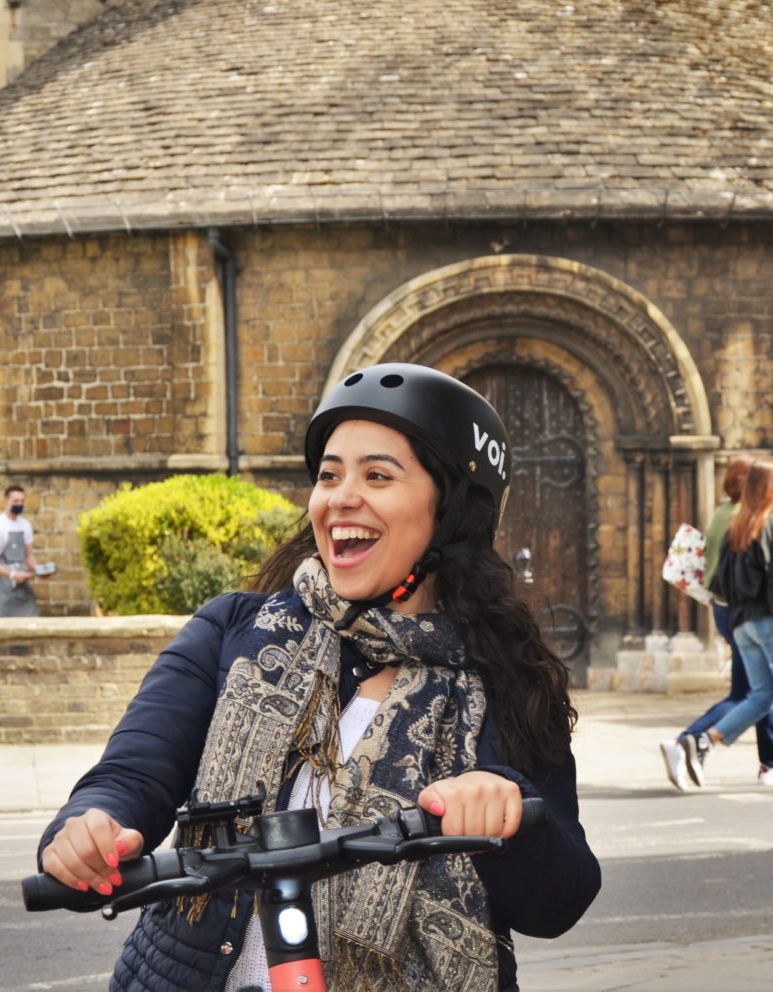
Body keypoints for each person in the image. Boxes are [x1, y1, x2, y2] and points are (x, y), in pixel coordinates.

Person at [39, 363, 601, 991]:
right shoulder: (234, 630)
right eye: (330, 475)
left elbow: (562, 898)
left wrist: (509, 811)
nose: (340, 497)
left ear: (452, 512)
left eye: (378, 475)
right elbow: (133, 775)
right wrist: (89, 825)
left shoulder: (504, 678)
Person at [682, 456, 773, 790]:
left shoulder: (737, 526)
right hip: (771, 622)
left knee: (762, 695)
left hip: (742, 623)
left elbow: (720, 582)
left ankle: (704, 740)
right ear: (768, 487)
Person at [659, 453, 773, 791]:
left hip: (725, 610)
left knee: (755, 689)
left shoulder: (722, 513)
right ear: (747, 482)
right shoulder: (741, 517)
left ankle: (768, 763)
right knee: (756, 691)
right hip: (741, 612)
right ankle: (688, 740)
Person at [0, 485, 38, 617]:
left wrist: (39, 570)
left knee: (31, 621)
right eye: (15, 501)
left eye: (22, 501)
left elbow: (29, 556)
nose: (19, 504)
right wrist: (12, 574)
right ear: (6, 501)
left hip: (22, 586)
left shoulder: (25, 525)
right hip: (1, 588)